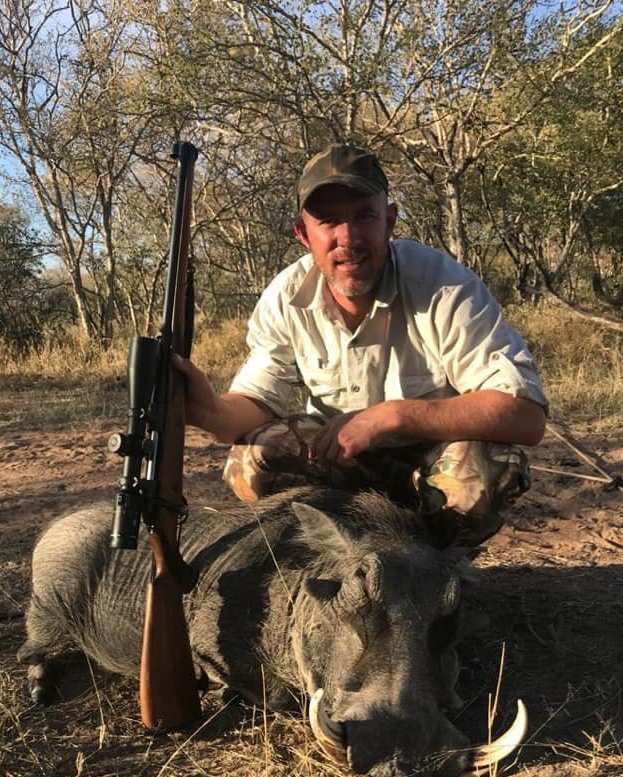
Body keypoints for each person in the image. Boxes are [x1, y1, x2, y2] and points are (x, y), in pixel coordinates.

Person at [173, 144, 547, 546]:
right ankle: (342, 553)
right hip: (341, 470)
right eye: (329, 221)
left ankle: (433, 566)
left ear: (389, 221)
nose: (347, 238)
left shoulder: (445, 285)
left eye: (364, 216)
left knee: (484, 471)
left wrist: (395, 417)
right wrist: (207, 409)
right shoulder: (285, 297)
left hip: (431, 471)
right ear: (303, 234)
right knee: (250, 461)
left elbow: (525, 415)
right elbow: (255, 405)